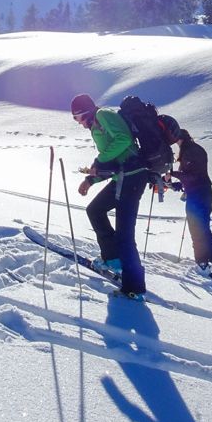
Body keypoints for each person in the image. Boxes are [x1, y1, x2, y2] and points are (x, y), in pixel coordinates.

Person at [70, 93, 152, 300]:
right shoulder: (97, 126)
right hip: (123, 177)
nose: (78, 123)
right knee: (95, 210)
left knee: (125, 234)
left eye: (76, 117)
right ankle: (113, 258)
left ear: (85, 112)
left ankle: (134, 288)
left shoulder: (103, 115)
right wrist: (91, 180)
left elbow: (123, 139)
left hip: (133, 177)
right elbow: (113, 163)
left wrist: (98, 161)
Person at [162, 117, 212, 276]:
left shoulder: (189, 151)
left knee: (196, 230)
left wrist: (171, 174)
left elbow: (191, 176)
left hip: (197, 194)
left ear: (180, 139)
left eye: (176, 141)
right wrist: (175, 184)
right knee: (204, 229)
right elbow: (193, 176)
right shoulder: (196, 149)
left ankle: (202, 264)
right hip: (204, 192)